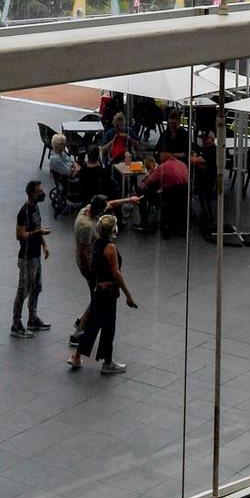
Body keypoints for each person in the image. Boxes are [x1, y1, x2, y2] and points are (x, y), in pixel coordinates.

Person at [68, 214, 136, 375]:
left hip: (99, 291)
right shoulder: (110, 248)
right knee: (108, 327)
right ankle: (107, 362)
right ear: (112, 229)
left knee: (93, 325)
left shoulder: (97, 243)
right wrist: (128, 294)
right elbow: (116, 273)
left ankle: (77, 356)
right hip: (108, 293)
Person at [13, 177, 51, 334]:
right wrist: (39, 233)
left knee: (36, 287)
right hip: (27, 257)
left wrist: (44, 244)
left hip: (36, 255)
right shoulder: (24, 211)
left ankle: (33, 318)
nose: (42, 193)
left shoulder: (36, 208)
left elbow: (37, 227)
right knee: (23, 290)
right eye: (39, 192)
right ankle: (16, 323)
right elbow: (20, 235)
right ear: (31, 194)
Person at [140, 150, 190, 235]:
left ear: (166, 154)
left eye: (160, 155)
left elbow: (150, 180)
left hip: (169, 196)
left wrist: (143, 182)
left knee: (142, 194)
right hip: (185, 195)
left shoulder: (164, 166)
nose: (159, 157)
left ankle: (144, 222)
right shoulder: (182, 164)